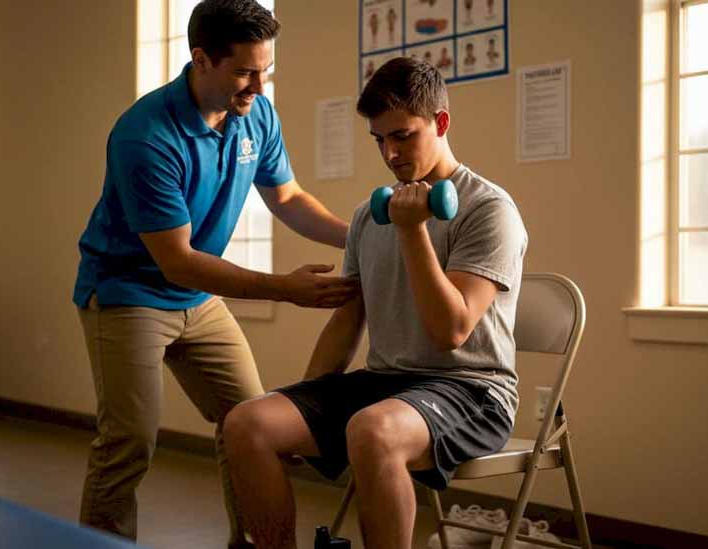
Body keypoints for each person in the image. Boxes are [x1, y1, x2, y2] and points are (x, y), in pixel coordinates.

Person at [72, 1, 357, 546]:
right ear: (201, 60)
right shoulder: (145, 135)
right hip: (128, 292)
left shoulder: (256, 113)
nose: (257, 85)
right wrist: (284, 289)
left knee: (250, 424)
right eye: (245, 71)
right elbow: (176, 260)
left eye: (265, 70)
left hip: (197, 298)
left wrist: (362, 234)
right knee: (129, 441)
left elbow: (290, 198)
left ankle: (247, 542)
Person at [224, 57, 528, 548]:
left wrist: (412, 233)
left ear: (441, 123)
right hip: (387, 384)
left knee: (372, 430)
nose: (390, 153)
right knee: (248, 423)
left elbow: (449, 331)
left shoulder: (489, 210)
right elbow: (347, 323)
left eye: (403, 135)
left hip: (471, 389)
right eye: (380, 139)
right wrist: (306, 404)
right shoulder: (371, 215)